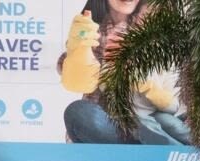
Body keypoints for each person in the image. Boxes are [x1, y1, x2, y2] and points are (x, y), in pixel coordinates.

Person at [59, 0, 191, 145]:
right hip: (119, 129)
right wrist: (79, 50)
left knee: (167, 121)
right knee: (79, 113)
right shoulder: (101, 34)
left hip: (164, 121)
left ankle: (177, 151)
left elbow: (174, 104)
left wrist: (150, 88)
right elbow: (86, 82)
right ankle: (164, 151)